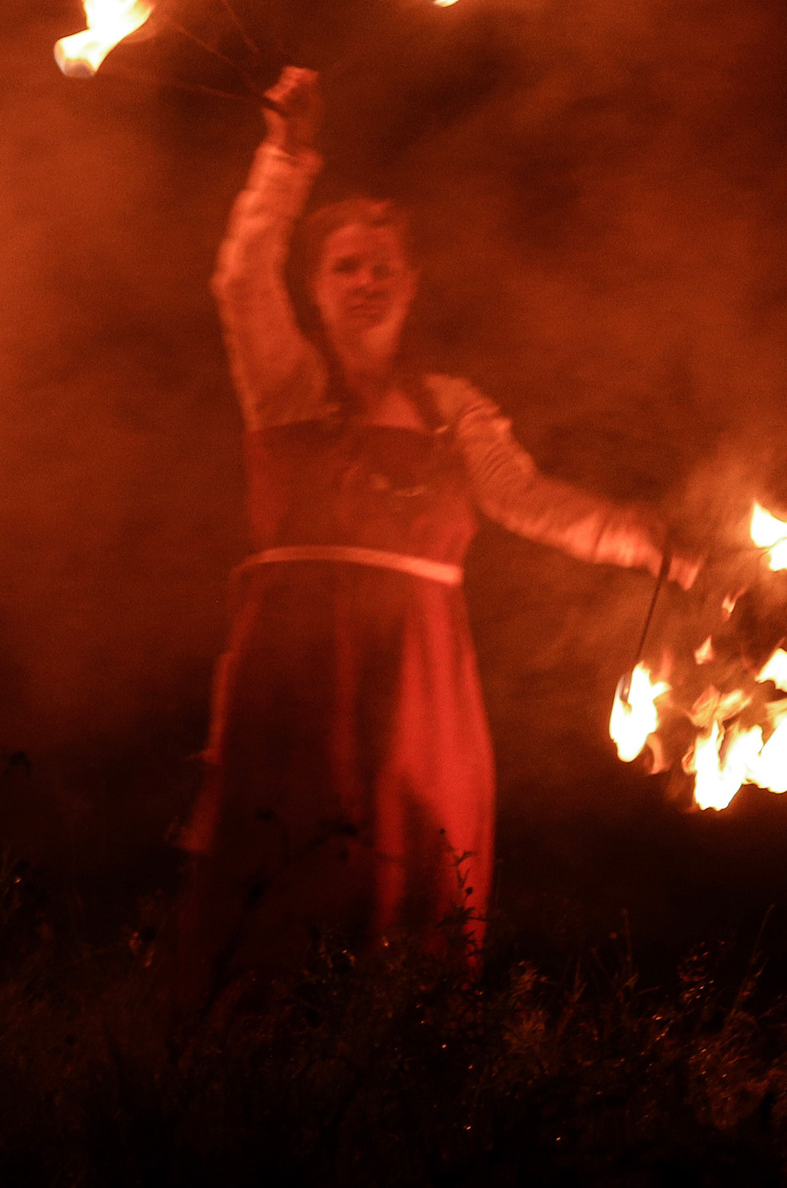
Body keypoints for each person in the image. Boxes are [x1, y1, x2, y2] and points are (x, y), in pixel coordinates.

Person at [177, 66, 694, 1009]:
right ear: (317, 289)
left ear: (412, 285)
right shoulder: (285, 384)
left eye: (383, 266)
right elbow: (240, 272)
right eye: (345, 266)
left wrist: (660, 546)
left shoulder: (452, 410)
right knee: (286, 894)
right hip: (296, 679)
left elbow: (535, 502)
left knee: (409, 894)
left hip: (420, 691)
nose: (366, 280)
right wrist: (287, 157)